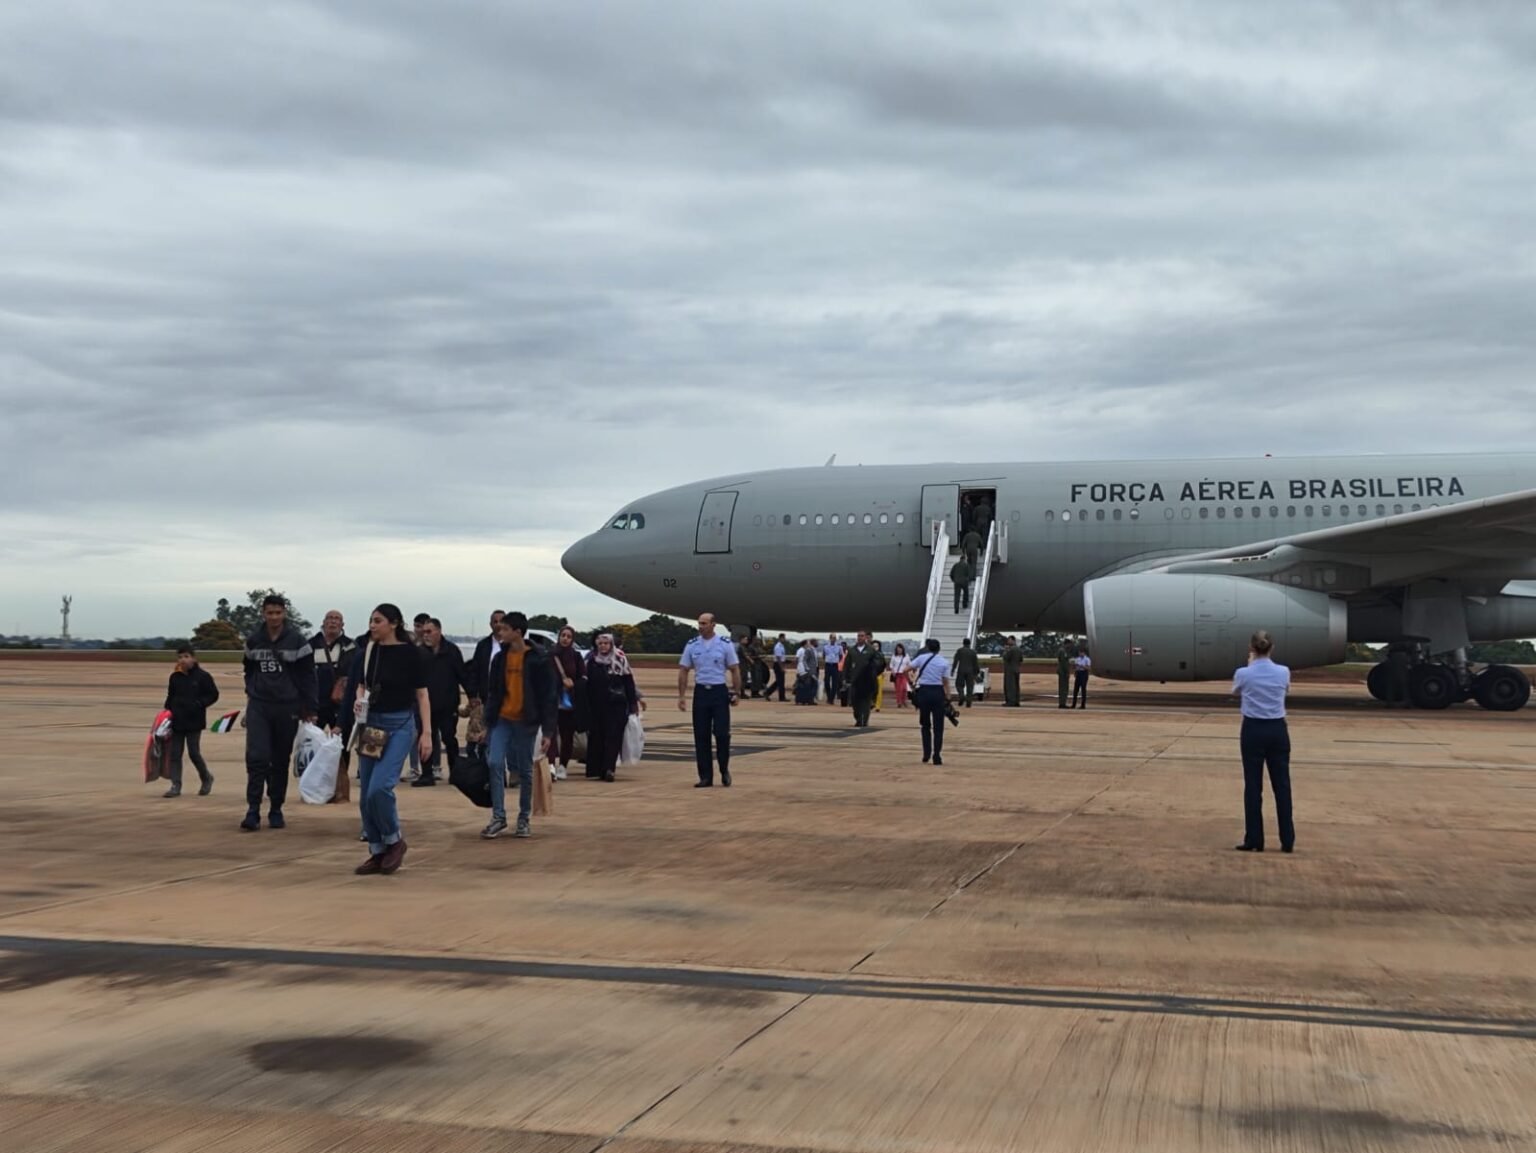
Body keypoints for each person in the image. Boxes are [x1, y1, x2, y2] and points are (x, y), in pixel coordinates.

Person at [345, 604, 431, 875]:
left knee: (380, 788)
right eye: (371, 620)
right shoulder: (369, 651)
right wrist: (359, 699)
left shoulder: (410, 654)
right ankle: (377, 850)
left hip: (400, 725)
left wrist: (426, 732)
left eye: (378, 621)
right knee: (366, 794)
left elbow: (422, 694)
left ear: (393, 624)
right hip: (373, 727)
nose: (372, 625)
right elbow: (361, 684)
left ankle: (394, 840)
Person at [240, 595, 317, 831]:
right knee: (257, 757)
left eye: (278, 613)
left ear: (284, 613)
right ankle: (253, 809)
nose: (274, 617)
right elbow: (248, 669)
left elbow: (307, 677)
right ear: (263, 613)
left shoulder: (297, 641)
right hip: (260, 706)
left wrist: (310, 708)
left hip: (287, 707)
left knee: (279, 760)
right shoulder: (254, 640)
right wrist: (252, 692)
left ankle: (276, 808)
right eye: (269, 613)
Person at [481, 612, 558, 839]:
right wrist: (488, 722)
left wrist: (548, 730)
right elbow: (494, 692)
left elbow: (548, 696)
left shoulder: (538, 658)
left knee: (524, 771)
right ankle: (498, 816)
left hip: (526, 721)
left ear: (517, 632)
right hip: (502, 719)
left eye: (504, 629)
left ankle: (523, 818)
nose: (500, 632)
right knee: (494, 763)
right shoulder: (500, 658)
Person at [1231, 630, 1295, 853]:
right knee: (1282, 786)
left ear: (1251, 648)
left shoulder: (1243, 673)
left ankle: (1254, 839)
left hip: (1253, 729)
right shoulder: (1283, 671)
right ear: (1272, 648)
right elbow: (1286, 690)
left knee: (1253, 786)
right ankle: (1287, 839)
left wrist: (1250, 666)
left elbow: (1236, 691)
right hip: (1277, 729)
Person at [679, 613, 742, 787]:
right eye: (699, 623)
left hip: (719, 692)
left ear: (713, 625)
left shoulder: (724, 644)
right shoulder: (692, 645)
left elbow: (734, 669)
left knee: (722, 734)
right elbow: (684, 669)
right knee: (701, 736)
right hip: (701, 693)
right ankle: (705, 776)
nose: (701, 626)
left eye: (704, 623)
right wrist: (682, 696)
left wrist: (736, 693)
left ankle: (724, 769)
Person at [414, 618, 467, 787]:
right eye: (424, 632)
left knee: (449, 739)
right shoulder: (419, 653)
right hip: (425, 705)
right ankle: (427, 774)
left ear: (439, 631)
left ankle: (455, 772)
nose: (426, 635)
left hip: (447, 704)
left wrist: (473, 696)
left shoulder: (451, 651)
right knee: (424, 738)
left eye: (429, 631)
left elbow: (462, 675)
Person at [163, 645, 218, 797]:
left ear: (194, 658)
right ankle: (176, 785)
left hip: (194, 721)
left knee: (194, 753)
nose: (183, 660)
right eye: (180, 657)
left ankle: (206, 777)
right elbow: (170, 696)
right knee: (175, 754)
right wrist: (167, 712)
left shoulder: (203, 676)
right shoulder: (175, 677)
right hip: (177, 721)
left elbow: (213, 694)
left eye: (186, 656)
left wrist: (200, 704)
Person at [585, 633, 639, 781]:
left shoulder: (620, 659)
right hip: (596, 705)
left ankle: (609, 768)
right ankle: (597, 769)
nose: (603, 646)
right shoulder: (591, 660)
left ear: (611, 645)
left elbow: (629, 682)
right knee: (597, 736)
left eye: (606, 643)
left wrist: (633, 703)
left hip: (616, 705)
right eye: (600, 643)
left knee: (613, 737)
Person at [464, 610, 505, 764]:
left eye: (502, 621)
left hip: (505, 698)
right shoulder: (483, 645)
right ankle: (480, 766)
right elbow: (475, 670)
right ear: (490, 624)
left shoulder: (510, 645)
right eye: (495, 621)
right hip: (485, 696)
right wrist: (472, 695)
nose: (499, 624)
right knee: (478, 736)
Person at [549, 626, 586, 779]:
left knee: (567, 736)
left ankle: (563, 765)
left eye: (568, 636)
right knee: (550, 734)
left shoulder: (576, 656)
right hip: (552, 700)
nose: (565, 638)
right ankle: (550, 764)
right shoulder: (550, 655)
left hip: (569, 702)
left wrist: (573, 685)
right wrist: (559, 682)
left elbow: (583, 677)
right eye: (563, 635)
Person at [910, 639, 954, 766]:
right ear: (939, 649)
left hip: (924, 691)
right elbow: (945, 681)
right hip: (937, 692)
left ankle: (926, 753)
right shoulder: (944, 662)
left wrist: (912, 682)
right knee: (938, 726)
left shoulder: (921, 658)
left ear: (928, 648)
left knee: (925, 725)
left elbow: (906, 669)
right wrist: (949, 697)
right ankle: (937, 755)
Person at [310, 611, 355, 733]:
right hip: (316, 703)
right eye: (330, 618)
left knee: (342, 744)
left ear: (342, 624)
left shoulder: (351, 646)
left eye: (337, 619)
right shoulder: (311, 644)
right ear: (324, 623)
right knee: (311, 744)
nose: (333, 621)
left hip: (340, 703)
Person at [844, 631, 885, 727]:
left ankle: (863, 721)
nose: (860, 638)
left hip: (867, 681)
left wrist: (874, 673)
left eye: (862, 636)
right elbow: (847, 665)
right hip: (855, 680)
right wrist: (845, 678)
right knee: (855, 702)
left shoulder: (871, 650)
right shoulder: (851, 650)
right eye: (858, 636)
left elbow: (879, 664)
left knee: (865, 702)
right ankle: (858, 717)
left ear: (865, 638)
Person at [953, 638, 980, 707]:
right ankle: (969, 701)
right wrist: (977, 672)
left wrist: (953, 669)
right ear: (969, 644)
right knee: (970, 687)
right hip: (970, 671)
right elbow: (976, 663)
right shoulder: (973, 652)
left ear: (963, 643)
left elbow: (955, 661)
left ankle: (961, 695)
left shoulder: (960, 651)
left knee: (959, 685)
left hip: (961, 670)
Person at [888, 643, 912, 710]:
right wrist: (892, 670)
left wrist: (908, 670)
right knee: (898, 689)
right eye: (898, 649)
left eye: (900, 649)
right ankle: (899, 702)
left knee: (904, 688)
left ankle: (903, 700)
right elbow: (891, 664)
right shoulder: (894, 656)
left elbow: (909, 664)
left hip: (904, 673)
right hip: (897, 674)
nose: (899, 650)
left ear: (902, 649)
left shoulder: (906, 656)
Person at [794, 639, 819, 705]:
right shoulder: (802, 650)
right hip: (804, 670)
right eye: (807, 643)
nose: (808, 644)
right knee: (808, 685)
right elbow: (799, 660)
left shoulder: (807, 650)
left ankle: (804, 699)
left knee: (806, 685)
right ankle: (806, 700)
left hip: (807, 670)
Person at [1001, 635, 1023, 707]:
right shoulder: (1019, 649)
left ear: (1013, 640)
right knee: (1016, 686)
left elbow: (1006, 657)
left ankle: (1010, 701)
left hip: (1010, 670)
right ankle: (1017, 701)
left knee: (1010, 686)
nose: (1008, 641)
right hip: (1017, 669)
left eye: (1009, 640)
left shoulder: (1011, 649)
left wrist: (1005, 650)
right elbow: (1021, 659)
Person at [822, 633, 845, 705]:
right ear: (830, 638)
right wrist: (828, 660)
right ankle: (829, 696)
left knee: (835, 683)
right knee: (826, 681)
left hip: (835, 665)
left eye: (835, 638)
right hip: (828, 665)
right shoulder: (825, 647)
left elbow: (841, 656)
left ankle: (831, 699)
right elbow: (823, 655)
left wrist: (836, 661)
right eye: (832, 638)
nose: (834, 639)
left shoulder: (839, 647)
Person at [769, 633, 788, 702]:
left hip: (780, 664)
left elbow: (782, 658)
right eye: (783, 638)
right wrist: (782, 667)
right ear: (780, 638)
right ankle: (782, 697)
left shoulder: (782, 646)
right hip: (778, 665)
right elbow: (778, 658)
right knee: (781, 682)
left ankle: (767, 692)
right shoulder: (778, 647)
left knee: (779, 681)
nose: (784, 639)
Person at [1057, 642, 1073, 708]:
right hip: (1063, 672)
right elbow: (1064, 663)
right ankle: (1062, 703)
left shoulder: (1061, 650)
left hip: (1061, 671)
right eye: (1069, 644)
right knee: (1064, 688)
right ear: (1067, 644)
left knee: (1062, 688)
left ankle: (1062, 702)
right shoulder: (1063, 651)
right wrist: (1067, 672)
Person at [871, 640, 886, 712]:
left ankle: (878, 706)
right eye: (873, 646)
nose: (875, 648)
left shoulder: (881, 655)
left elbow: (884, 664)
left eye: (876, 646)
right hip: (870, 675)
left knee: (879, 691)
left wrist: (884, 671)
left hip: (879, 675)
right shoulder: (869, 655)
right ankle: (871, 703)